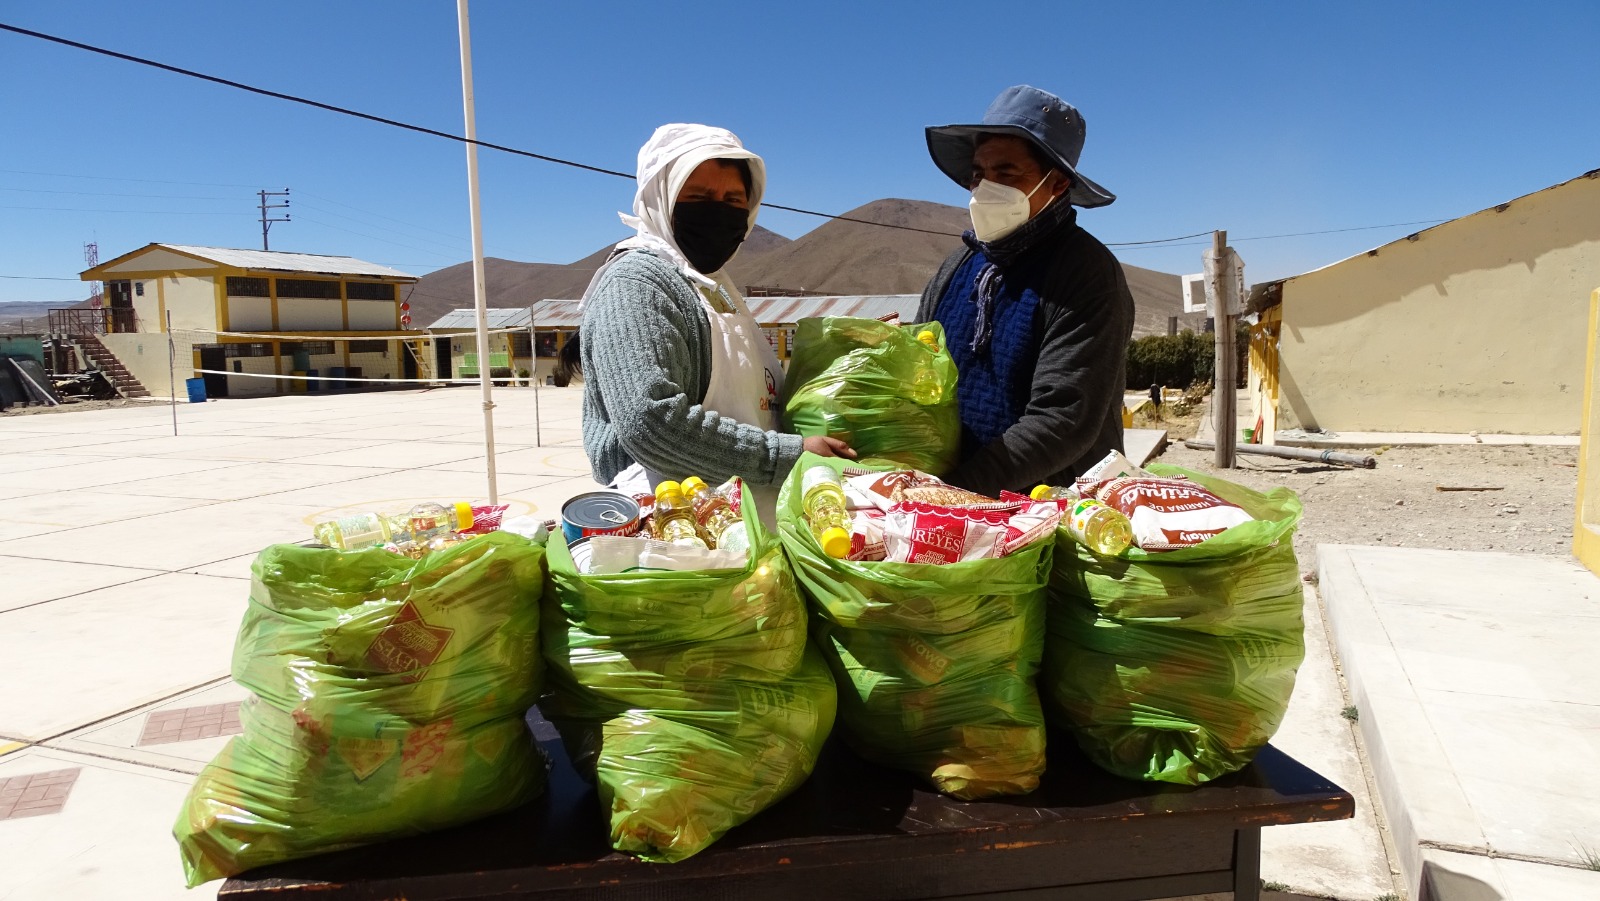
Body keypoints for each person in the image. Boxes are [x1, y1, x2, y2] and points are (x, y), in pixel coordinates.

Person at [578, 123, 853, 515]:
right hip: (673, 522)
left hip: (734, 517)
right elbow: (651, 422)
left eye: (733, 199)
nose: (718, 211)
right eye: (700, 196)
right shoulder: (637, 283)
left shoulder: (713, 286)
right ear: (663, 198)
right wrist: (784, 454)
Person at [916, 85, 1135, 496]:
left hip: (1051, 512)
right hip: (951, 504)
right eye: (978, 173)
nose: (984, 188)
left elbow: (1062, 419)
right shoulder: (957, 266)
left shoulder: (1086, 272)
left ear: (1056, 185)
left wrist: (957, 490)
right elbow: (918, 372)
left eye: (1006, 173)